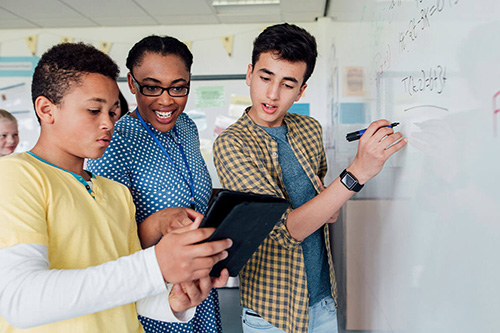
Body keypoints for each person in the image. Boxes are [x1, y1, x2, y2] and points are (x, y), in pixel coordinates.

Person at [0, 42, 231, 332]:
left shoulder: (115, 193)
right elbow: (22, 301)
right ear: (47, 109)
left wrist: (174, 300)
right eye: (94, 110)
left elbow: (127, 294)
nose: (108, 123)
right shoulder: (16, 176)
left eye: (113, 112)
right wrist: (156, 264)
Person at [213, 23, 408, 333]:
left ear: (302, 90)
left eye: (288, 84)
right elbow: (285, 230)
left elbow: (327, 210)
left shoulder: (309, 129)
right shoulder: (232, 143)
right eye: (265, 78)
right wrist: (357, 172)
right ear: (250, 73)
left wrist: (329, 201)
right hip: (272, 311)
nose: (273, 94)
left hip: (322, 299)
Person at [87, 35, 224, 333]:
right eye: (152, 87)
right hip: (154, 296)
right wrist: (158, 222)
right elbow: (108, 248)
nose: (166, 100)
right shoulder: (114, 141)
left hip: (199, 284)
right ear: (132, 84)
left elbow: (192, 196)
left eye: (178, 87)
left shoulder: (186, 126)